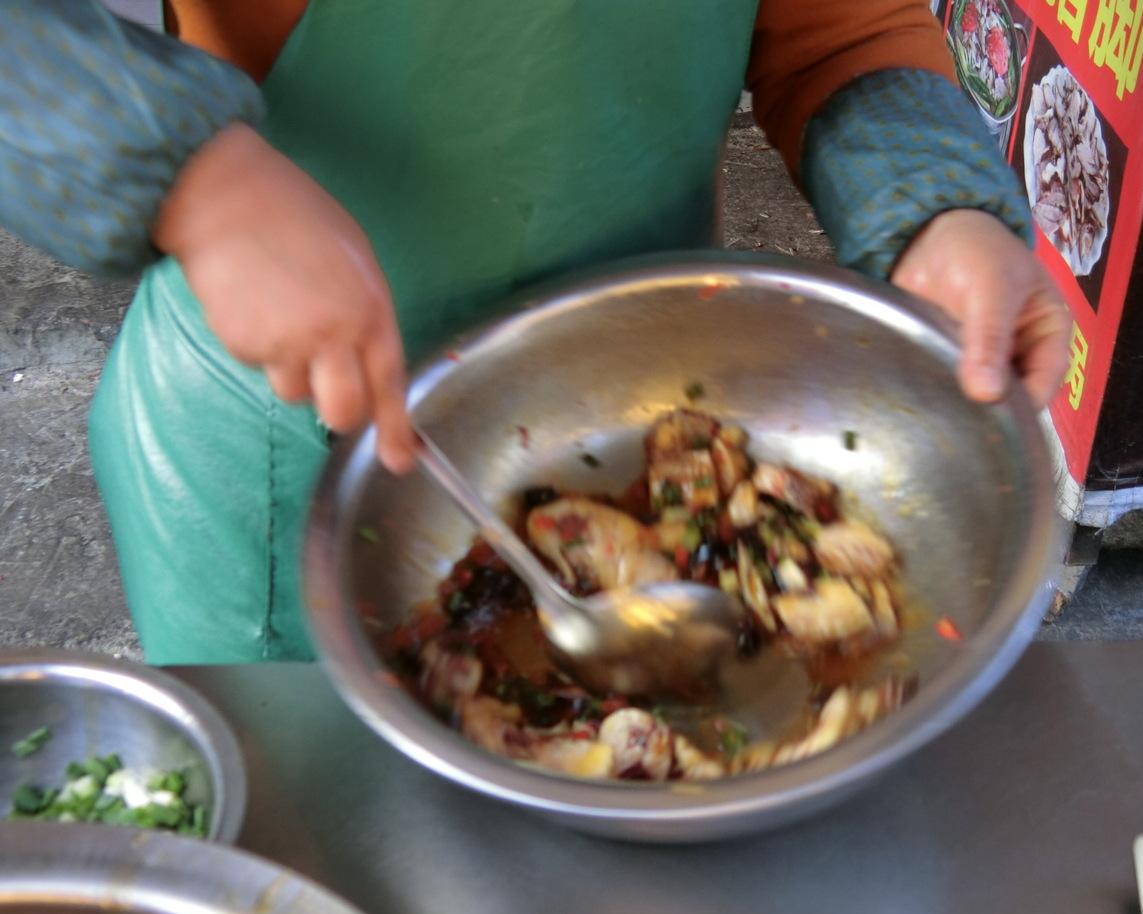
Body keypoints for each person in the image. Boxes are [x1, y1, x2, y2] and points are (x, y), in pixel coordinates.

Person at [0, 0, 1070, 663]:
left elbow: (838, 28)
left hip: (639, 410)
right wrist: (196, 183)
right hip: (291, 455)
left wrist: (935, 205)